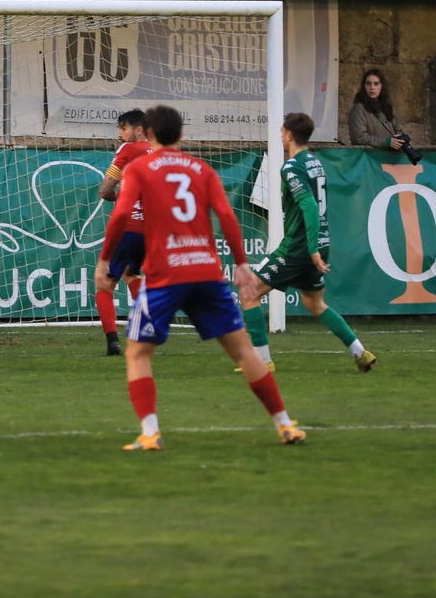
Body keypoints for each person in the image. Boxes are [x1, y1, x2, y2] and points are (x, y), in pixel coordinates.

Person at [97, 104, 305, 450]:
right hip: (206, 271)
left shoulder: (140, 167)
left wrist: (106, 257)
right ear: (181, 135)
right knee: (245, 353)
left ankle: (150, 434)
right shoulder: (201, 168)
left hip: (166, 273)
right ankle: (285, 425)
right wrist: (240, 264)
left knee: (137, 353)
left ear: (148, 134)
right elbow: (226, 215)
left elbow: (119, 215)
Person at [241, 113, 376, 373]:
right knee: (314, 304)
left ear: (289, 135)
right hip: (321, 241)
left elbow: (310, 206)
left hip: (301, 246)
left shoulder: (291, 167)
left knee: (249, 293)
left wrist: (311, 249)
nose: (280, 136)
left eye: (282, 131)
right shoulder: (315, 162)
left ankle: (261, 362)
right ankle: (360, 352)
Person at [97, 108, 148, 356]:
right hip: (153, 230)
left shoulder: (127, 151)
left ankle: (112, 342)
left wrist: (117, 196)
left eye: (123, 128)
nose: (120, 134)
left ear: (139, 130)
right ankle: (145, 331)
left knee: (104, 283)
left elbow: (105, 190)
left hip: (128, 226)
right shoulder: (163, 152)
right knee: (131, 275)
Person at [348, 69, 409, 152]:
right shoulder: (359, 109)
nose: (372, 88)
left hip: (389, 159)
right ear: (364, 86)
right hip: (369, 159)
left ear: (381, 86)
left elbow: (398, 131)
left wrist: (400, 139)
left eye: (376, 84)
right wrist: (387, 142)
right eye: (368, 84)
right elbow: (359, 137)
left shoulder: (386, 108)